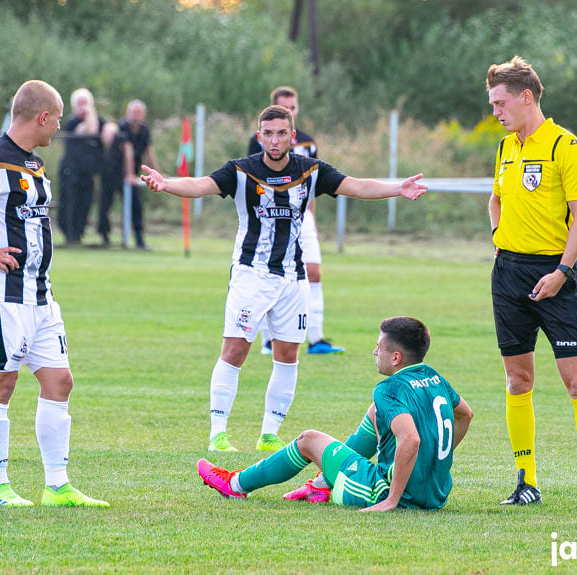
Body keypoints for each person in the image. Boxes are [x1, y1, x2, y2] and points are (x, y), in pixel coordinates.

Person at [140, 105, 427, 453]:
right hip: (251, 275)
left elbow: (356, 186)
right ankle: (218, 433)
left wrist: (397, 188)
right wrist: (166, 183)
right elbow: (201, 185)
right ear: (259, 135)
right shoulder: (241, 170)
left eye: (281, 133)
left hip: (294, 277)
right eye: (268, 133)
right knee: (234, 350)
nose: (274, 140)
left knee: (288, 354)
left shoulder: (311, 171)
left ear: (292, 136)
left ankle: (268, 433)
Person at [0, 80, 109, 508]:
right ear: (42, 117)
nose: (61, 125)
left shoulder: (33, 163)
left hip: (41, 294)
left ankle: (57, 486)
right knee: (3, 383)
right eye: (58, 116)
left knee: (60, 380)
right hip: (2, 295)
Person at [486, 56, 577, 509]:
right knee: (517, 379)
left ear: (526, 97)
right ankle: (526, 482)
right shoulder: (505, 147)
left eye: (501, 103)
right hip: (508, 274)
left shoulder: (565, 147)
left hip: (554, 273)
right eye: (492, 104)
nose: (496, 112)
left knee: (576, 380)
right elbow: (496, 200)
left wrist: (561, 272)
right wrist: (498, 240)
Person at [195, 316, 473, 511]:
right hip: (436, 494)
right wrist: (434, 463)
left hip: (388, 493)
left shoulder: (389, 388)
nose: (374, 351)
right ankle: (320, 484)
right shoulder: (433, 377)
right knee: (377, 413)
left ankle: (236, 484)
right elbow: (465, 415)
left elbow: (411, 440)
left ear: (396, 357)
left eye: (380, 347)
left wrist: (391, 500)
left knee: (308, 439)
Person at [248, 87, 343, 355]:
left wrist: (311, 217)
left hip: (302, 218)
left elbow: (312, 181)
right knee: (269, 274)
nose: (290, 111)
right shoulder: (260, 141)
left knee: (313, 272)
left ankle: (317, 338)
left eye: (293, 107)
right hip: (269, 220)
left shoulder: (308, 143)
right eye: (285, 107)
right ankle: (269, 340)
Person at [98, 99, 158, 249]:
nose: (136, 116)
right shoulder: (123, 127)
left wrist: (157, 172)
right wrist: (130, 174)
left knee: (136, 205)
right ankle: (105, 237)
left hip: (131, 173)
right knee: (106, 204)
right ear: (127, 113)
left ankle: (139, 240)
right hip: (112, 172)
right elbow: (128, 151)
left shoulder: (144, 129)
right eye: (133, 113)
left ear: (143, 115)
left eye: (138, 113)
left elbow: (149, 151)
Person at [58, 88, 106, 245]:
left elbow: (109, 129)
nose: (83, 108)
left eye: (86, 104)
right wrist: (91, 113)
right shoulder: (72, 123)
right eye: (80, 104)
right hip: (70, 171)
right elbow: (90, 131)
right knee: (69, 203)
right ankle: (70, 237)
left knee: (85, 204)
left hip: (88, 173)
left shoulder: (99, 121)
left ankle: (78, 235)